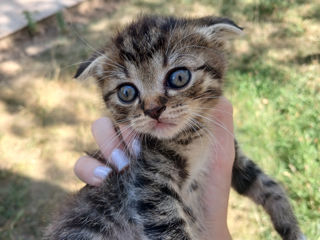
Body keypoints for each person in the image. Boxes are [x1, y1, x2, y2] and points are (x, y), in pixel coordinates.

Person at [74, 97, 234, 240]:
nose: (153, 109)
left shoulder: (211, 127)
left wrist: (211, 231)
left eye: (178, 78)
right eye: (128, 92)